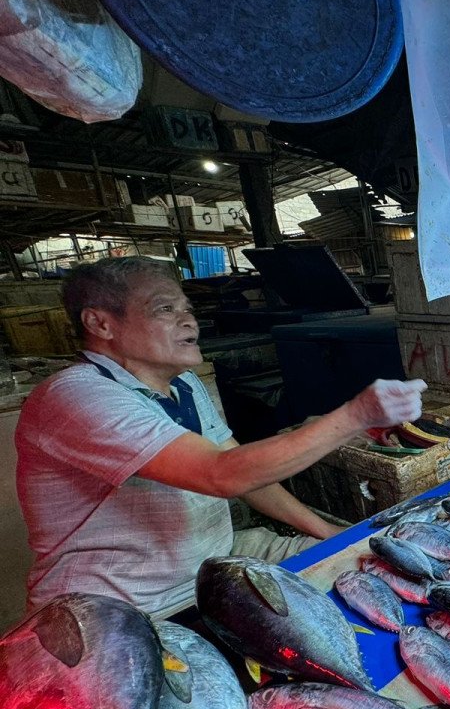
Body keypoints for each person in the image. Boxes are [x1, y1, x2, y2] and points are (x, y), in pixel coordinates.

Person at [16, 257, 427, 619]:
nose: (188, 320)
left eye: (187, 308)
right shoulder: (76, 395)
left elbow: (249, 474)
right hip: (124, 606)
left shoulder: (186, 385)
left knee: (370, 566)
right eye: (164, 308)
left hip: (215, 562)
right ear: (100, 323)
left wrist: (325, 533)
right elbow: (221, 474)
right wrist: (356, 415)